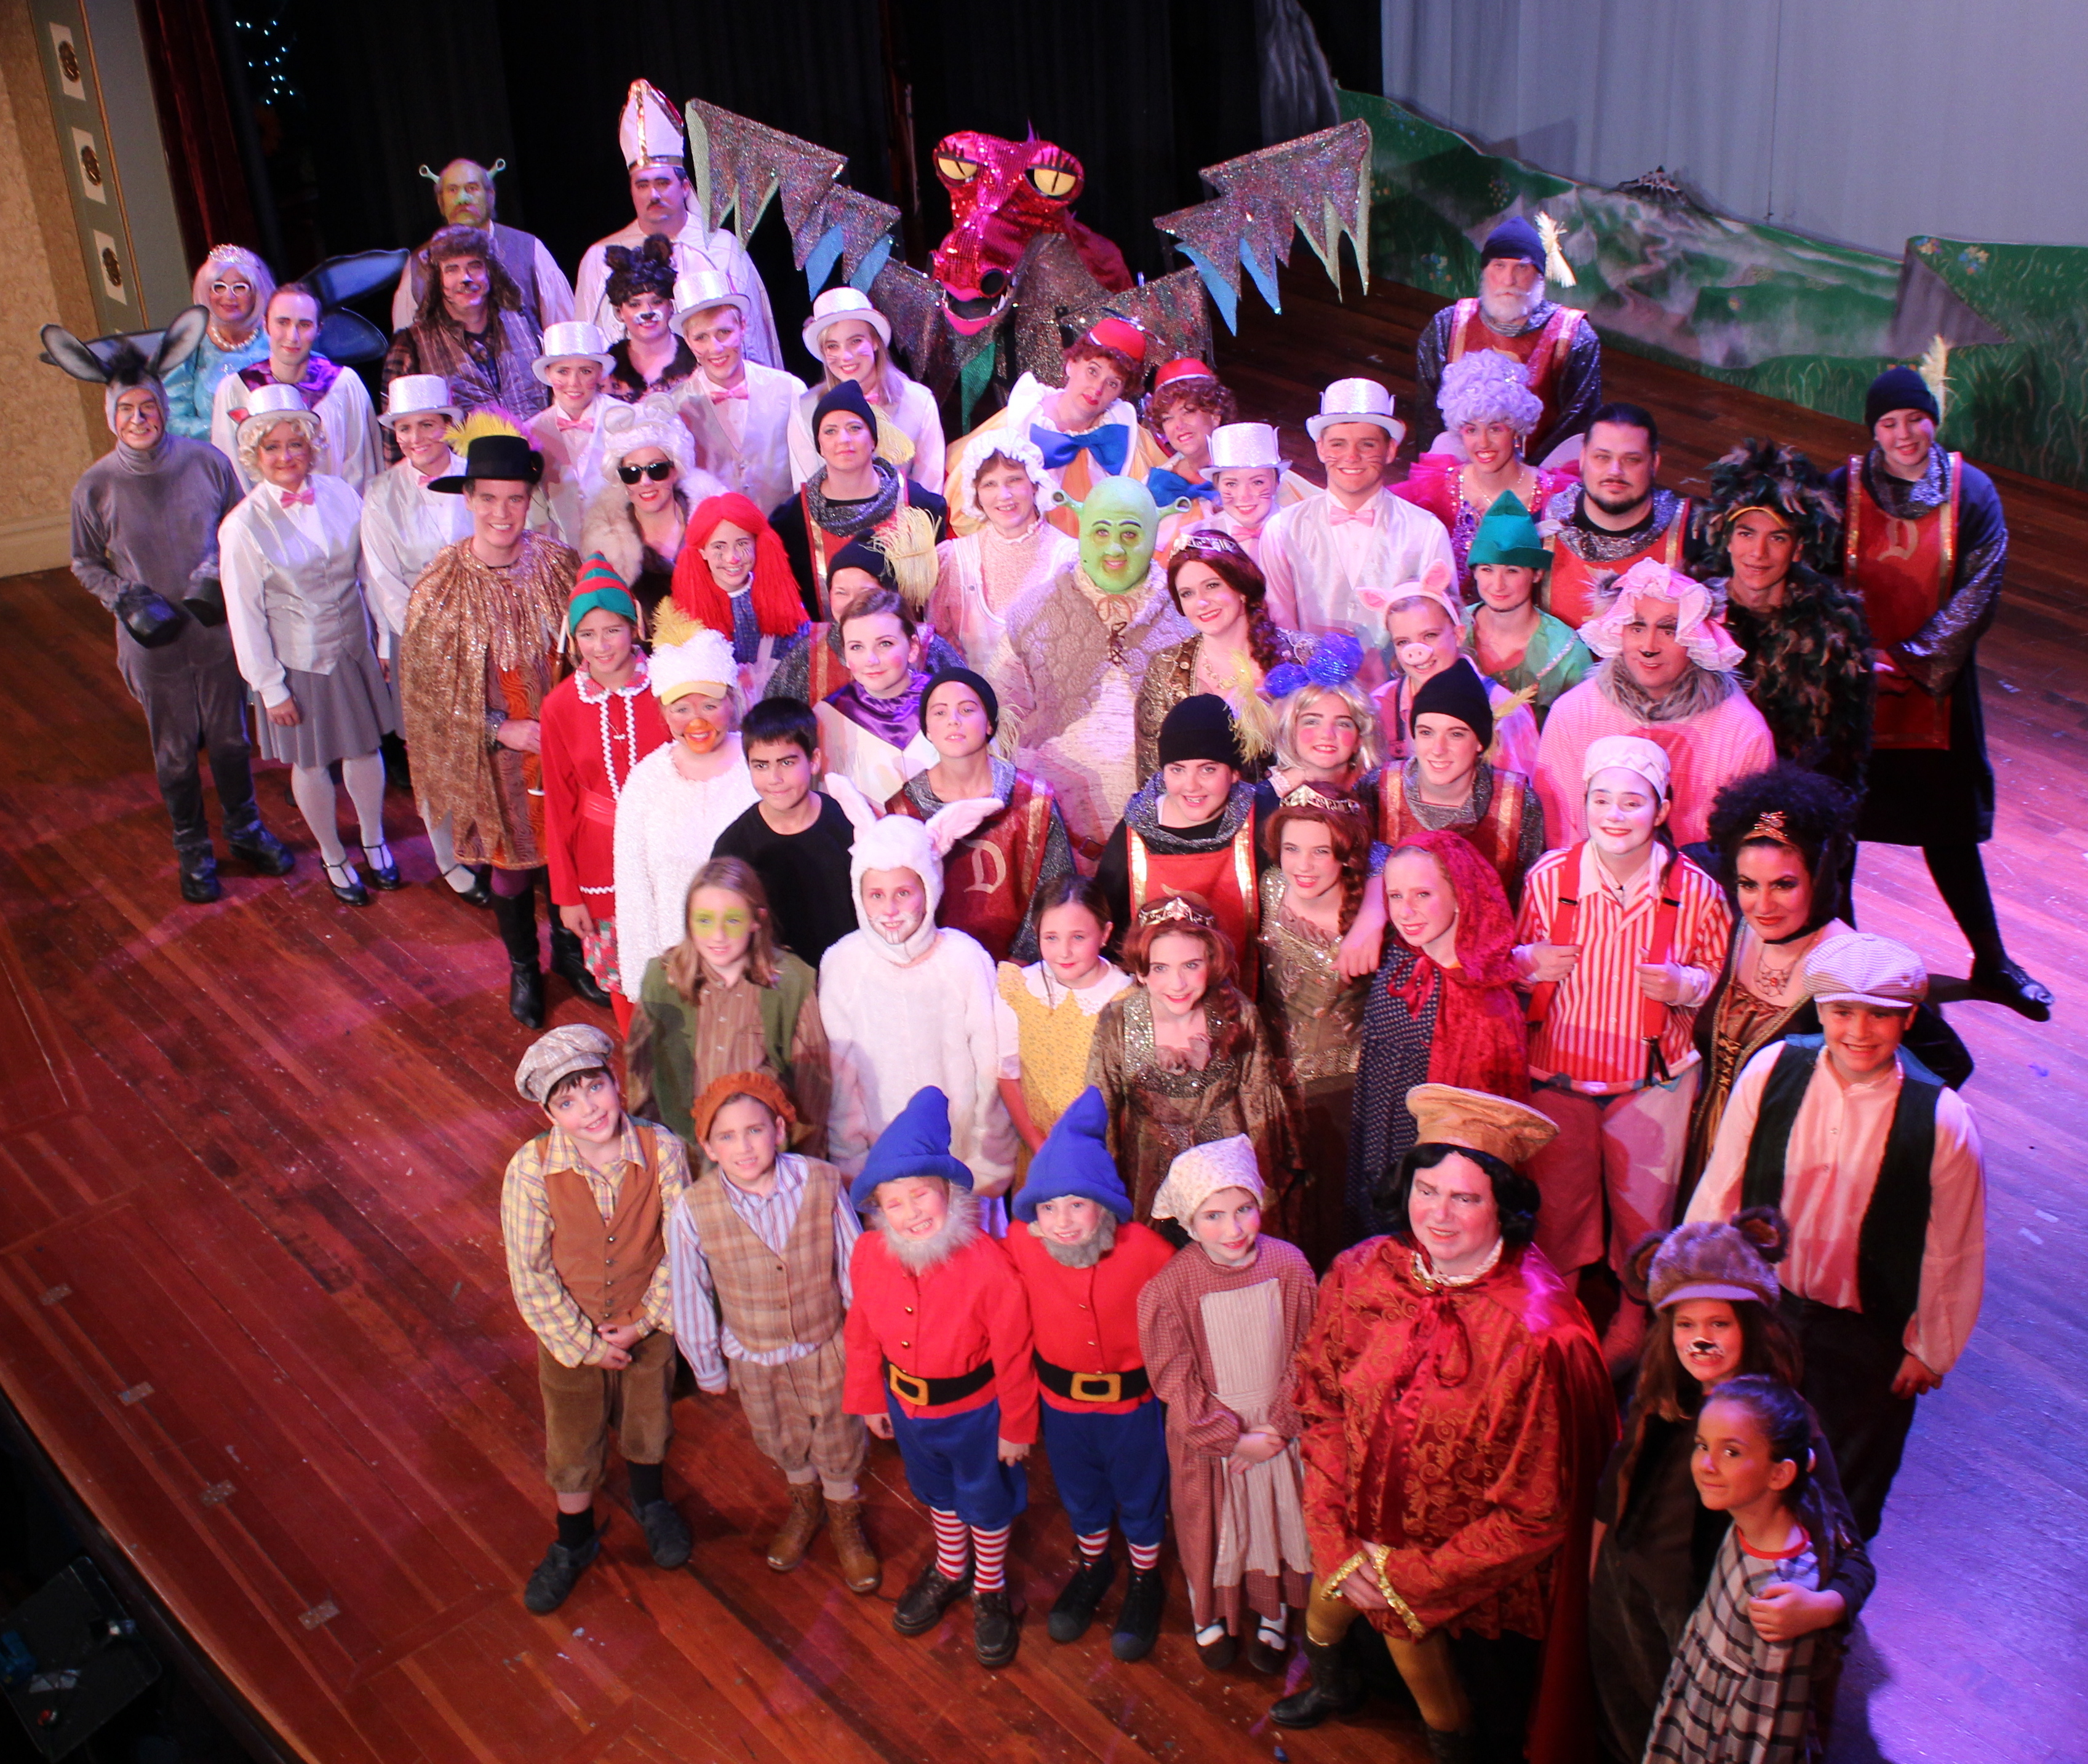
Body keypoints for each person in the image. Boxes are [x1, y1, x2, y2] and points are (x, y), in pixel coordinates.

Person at [1281, 1085, 1615, 1762]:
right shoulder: (1360, 1274)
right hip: (1352, 1536)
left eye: (1465, 1198)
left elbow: (1538, 1512)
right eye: (1427, 1190)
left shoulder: (1540, 1334)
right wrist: (1335, 1538)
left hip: (1464, 1589)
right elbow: (1321, 1405)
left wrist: (1413, 1578)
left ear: (1504, 1207)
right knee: (1329, 1617)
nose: (1438, 1214)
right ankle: (1340, 1685)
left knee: (1465, 1713)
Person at [1688, 932, 1985, 1539]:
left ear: (1908, 1019)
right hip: (1766, 1311)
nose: (1858, 1031)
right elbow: (1721, 1189)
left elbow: (1953, 1247)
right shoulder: (1772, 1072)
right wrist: (1701, 1297)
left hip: (1865, 1332)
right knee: (1735, 1463)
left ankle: (1823, 1585)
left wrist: (1931, 1347)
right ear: (1819, 1011)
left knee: (1843, 1488)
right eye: (1842, 1012)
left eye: (1880, 1015)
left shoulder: (1941, 1120)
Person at [1593, 1214, 1872, 1763]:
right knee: (1623, 1732)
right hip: (1625, 1594)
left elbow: (1853, 1557)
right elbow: (1616, 1485)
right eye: (1685, 1324)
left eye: (1719, 1323)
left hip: (1705, 1624)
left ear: (1752, 1326)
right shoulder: (1661, 1392)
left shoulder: (1785, 1424)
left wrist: (1821, 1607)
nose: (1700, 1339)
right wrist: (1597, 1576)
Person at [1828, 367, 2050, 1019]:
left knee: (1948, 829)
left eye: (1914, 419)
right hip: (1850, 692)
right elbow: (1813, 578)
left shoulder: (1971, 492)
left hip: (1939, 692)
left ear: (1934, 419)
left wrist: (1911, 661)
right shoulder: (1838, 491)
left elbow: (1981, 589)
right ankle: (1851, 964)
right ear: (1872, 431)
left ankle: (1992, 961)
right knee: (1842, 832)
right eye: (1888, 424)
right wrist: (1848, 658)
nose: (1904, 435)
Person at [1516, 737, 1732, 1351]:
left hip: (1652, 1078)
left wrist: (1683, 984)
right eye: (1601, 799)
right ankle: (1556, 1307)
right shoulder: (1548, 878)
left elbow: (1715, 974)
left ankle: (1633, 1320)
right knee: (1557, 1204)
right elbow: (1513, 960)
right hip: (1558, 1074)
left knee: (1644, 1207)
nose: (1614, 814)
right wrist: (1529, 961)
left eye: (1632, 802)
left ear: (1661, 809)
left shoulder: (1696, 892)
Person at [66, 331, 294, 902]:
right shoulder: (95, 486)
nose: (139, 418)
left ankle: (244, 830)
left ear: (163, 408)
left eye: (148, 406)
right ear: (111, 417)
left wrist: (214, 571)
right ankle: (193, 847)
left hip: (213, 632)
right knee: (173, 754)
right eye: (126, 409)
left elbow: (238, 529)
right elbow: (84, 562)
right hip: (153, 644)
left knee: (231, 741)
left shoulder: (208, 463)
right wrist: (124, 597)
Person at [842, 1087, 1037, 1666]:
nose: (912, 1213)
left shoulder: (988, 1264)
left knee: (985, 1499)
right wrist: (869, 1396)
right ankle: (952, 1568)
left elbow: (1015, 1351)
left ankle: (990, 1585)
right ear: (879, 1210)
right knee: (938, 1493)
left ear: (949, 1193)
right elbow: (862, 1329)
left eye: (921, 1194)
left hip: (976, 1414)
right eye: (894, 1203)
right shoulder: (869, 1254)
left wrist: (1016, 1426)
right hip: (908, 1410)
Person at [502, 1025, 693, 1615]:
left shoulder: (663, 1151)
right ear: (549, 1114)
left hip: (647, 1320)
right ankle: (574, 1539)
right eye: (567, 1102)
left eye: (595, 1088)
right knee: (573, 1437)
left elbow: (684, 1247)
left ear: (616, 1083)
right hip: (570, 1333)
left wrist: (646, 1321)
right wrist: (582, 1344)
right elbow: (530, 1272)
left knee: (649, 1417)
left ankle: (649, 1500)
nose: (588, 1109)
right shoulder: (530, 1171)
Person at [668, 1071, 876, 1589]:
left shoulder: (821, 1182)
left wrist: (865, 1346)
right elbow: (689, 1292)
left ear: (779, 1130)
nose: (744, 1147)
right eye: (727, 1136)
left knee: (839, 1435)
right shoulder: (694, 1208)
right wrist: (706, 1365)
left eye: (755, 1130)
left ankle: (844, 1514)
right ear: (709, 1148)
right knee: (780, 1435)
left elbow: (853, 1267)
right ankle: (805, 1503)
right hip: (755, 1354)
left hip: (825, 1344)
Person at [404, 429, 578, 1027]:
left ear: (530, 500)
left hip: (564, 749)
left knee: (566, 856)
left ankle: (571, 953)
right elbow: (426, 700)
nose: (502, 513)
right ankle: (525, 967)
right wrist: (500, 730)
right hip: (495, 759)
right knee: (512, 866)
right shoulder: (440, 587)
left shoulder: (559, 565)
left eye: (515, 499)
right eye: (488, 499)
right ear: (469, 499)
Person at [1006, 1088, 1177, 1661]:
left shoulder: (1146, 1250)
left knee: (1141, 1493)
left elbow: (1185, 1307)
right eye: (1048, 1208)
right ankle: (1094, 1566)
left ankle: (1146, 1580)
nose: (1062, 1222)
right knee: (1080, 1492)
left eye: (1077, 1205)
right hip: (1062, 1409)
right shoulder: (1021, 1246)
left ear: (1104, 1206)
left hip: (1133, 1409)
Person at [1137, 1137, 1317, 1672]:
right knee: (1211, 1528)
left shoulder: (1289, 1265)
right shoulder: (1171, 1287)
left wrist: (1279, 1428)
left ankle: (1273, 1611)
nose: (1233, 1229)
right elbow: (1174, 1378)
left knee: (1276, 1520)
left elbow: (1310, 1352)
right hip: (1212, 1437)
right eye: (1213, 1216)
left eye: (1243, 1210)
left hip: (1277, 1427)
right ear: (1189, 1222)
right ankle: (1208, 1612)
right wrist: (1231, 1438)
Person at [219, 384, 398, 907]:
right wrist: (270, 687)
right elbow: (244, 615)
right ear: (254, 455)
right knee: (313, 762)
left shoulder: (341, 493)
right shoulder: (242, 526)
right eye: (272, 447)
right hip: (300, 661)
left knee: (364, 747)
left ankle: (373, 839)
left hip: (354, 647)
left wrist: (384, 639)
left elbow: (369, 573)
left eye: (294, 444)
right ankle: (333, 854)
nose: (285, 456)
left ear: (310, 446)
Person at [819, 794, 1017, 1196]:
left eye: (903, 893)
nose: (890, 910)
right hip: (885, 1172)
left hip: (962, 1165)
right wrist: (852, 1161)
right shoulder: (843, 964)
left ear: (929, 888)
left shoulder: (964, 958)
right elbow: (841, 1079)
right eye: (876, 895)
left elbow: (989, 1065)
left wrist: (988, 1158)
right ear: (858, 894)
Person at [1641, 1376, 1841, 1764]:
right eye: (1702, 1446)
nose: (1706, 1464)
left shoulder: (1779, 1595)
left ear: (1780, 1474)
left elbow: (1767, 1732)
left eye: (1731, 1452)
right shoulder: (1745, 1524)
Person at [1347, 829, 1531, 1248]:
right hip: (1379, 1136)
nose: (1406, 911)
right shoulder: (1398, 962)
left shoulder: (1486, 997)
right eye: (1395, 896)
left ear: (1461, 894)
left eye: (1423, 895)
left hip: (1435, 1158)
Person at [998, 474, 1195, 857]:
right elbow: (1002, 718)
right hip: (1055, 838)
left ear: (1155, 534)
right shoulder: (1032, 613)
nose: (1115, 549)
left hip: (1166, 840)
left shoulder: (1189, 615)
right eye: (1101, 532)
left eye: (1131, 534)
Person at [1534, 558, 1775, 849]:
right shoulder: (1572, 715)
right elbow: (1559, 832)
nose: (1649, 647)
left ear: (1695, 639)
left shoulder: (1742, 731)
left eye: (1668, 631)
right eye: (1637, 627)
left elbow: (1751, 847)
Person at [1083, 894, 1287, 1222]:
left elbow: (1260, 1107)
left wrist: (1266, 1196)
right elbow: (1100, 1110)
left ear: (1211, 963)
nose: (1177, 984)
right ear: (1142, 972)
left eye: (1191, 966)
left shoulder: (1239, 1015)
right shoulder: (1118, 1021)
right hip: (1149, 1180)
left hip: (1226, 1185)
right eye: (1160, 968)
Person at [1691, 439, 1873, 787]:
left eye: (1777, 538)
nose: (1758, 553)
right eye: (1747, 534)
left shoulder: (1834, 628)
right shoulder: (1692, 612)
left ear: (1798, 548)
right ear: (1727, 538)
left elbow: (1843, 754)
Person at [626, 856, 827, 1154]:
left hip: (761, 1154)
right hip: (686, 1150)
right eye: (705, 921)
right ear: (689, 922)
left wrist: (802, 1163)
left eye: (732, 920)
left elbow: (813, 1089)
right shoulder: (662, 979)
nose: (718, 936)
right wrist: (651, 1153)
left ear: (757, 920)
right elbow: (640, 1076)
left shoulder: (791, 983)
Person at [540, 557, 669, 1023]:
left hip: (666, 849)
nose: (601, 646)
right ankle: (640, 1056)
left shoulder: (668, 685)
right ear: (574, 639)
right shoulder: (559, 707)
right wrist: (567, 894)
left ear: (634, 627)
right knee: (622, 974)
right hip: (600, 863)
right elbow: (559, 806)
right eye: (588, 634)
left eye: (612, 630)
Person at [573, 79, 781, 365]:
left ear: (684, 187)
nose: (653, 195)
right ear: (631, 191)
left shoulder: (722, 248)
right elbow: (586, 351)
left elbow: (754, 339)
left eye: (662, 183)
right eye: (643, 185)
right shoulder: (601, 258)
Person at [1254, 785, 1371, 1266]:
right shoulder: (1270, 889)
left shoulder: (1371, 907)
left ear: (1346, 853)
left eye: (1321, 851)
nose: (1303, 865)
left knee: (1337, 1219)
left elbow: (1395, 862)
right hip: (1274, 1087)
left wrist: (1375, 917)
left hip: (1344, 1092)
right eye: (1292, 849)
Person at [885, 669, 1075, 964]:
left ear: (988, 723)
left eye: (967, 710)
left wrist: (1018, 964)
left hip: (1024, 971)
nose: (953, 720)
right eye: (940, 712)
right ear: (927, 729)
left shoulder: (1035, 802)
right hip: (934, 968)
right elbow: (896, 902)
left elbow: (1056, 892)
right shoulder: (903, 811)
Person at [611, 630, 759, 1003]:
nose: (696, 721)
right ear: (664, 713)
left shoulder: (758, 766)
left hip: (754, 961)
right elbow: (633, 888)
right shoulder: (646, 781)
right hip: (679, 966)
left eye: (709, 706)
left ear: (731, 702)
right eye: (681, 709)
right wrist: (646, 981)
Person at [1260, 379, 1456, 652]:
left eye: (1367, 445)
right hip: (1310, 677)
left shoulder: (1426, 531)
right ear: (1320, 448)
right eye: (1338, 444)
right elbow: (1279, 626)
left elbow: (1443, 624)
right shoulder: (1282, 529)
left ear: (1390, 450)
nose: (1352, 457)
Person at [1096, 694, 1274, 988]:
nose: (1191, 786)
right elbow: (1106, 922)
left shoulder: (1261, 819)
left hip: (1246, 996)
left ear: (1234, 772)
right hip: (1161, 998)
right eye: (1177, 770)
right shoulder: (1135, 829)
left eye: (1208, 769)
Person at [945, 315, 1168, 538]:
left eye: (1112, 383)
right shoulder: (1020, 423)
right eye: (1093, 371)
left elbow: (1161, 506)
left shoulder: (1125, 435)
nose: (1097, 389)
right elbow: (969, 508)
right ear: (1071, 364)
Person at [1413, 215, 1602, 467]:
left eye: (1521, 267)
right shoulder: (1448, 326)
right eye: (1499, 266)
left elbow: (1577, 424)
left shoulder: (1574, 336)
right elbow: (1430, 414)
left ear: (1539, 275)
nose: (1508, 280)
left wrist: (1525, 477)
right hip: (1461, 470)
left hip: (1542, 473)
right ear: (1484, 271)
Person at [1370, 655, 1547, 909]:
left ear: (1480, 742)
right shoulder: (1378, 789)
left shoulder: (1518, 803)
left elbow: (1525, 903)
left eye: (1455, 734)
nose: (1438, 749)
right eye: (1427, 733)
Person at [1133, 533, 1304, 785]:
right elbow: (1152, 781)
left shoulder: (1303, 655)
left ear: (1242, 588)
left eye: (1212, 586)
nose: (1201, 602)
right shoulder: (1165, 670)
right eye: (1187, 594)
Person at [771, 380, 947, 622]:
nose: (843, 439)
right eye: (830, 431)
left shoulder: (922, 507)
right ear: (819, 445)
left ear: (873, 439)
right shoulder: (790, 521)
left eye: (855, 428)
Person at [1396, 352, 1576, 587]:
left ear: (1516, 430)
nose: (1483, 443)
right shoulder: (1435, 491)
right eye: (1471, 430)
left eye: (1495, 429)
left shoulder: (1555, 495)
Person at [994, 876, 1132, 1172]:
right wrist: (1040, 1147)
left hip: (1103, 1156)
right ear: (1037, 933)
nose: (1064, 951)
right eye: (1051, 938)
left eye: (1078, 937)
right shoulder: (1018, 988)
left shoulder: (1125, 998)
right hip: (1039, 1150)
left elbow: (1130, 1095)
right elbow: (1008, 1074)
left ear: (1105, 933)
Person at [713, 697, 860, 968]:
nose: (775, 778)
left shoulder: (848, 820)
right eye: (761, 765)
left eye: (787, 763)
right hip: (778, 983)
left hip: (851, 975)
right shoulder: (734, 847)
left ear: (814, 761)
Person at [1369, 563, 1540, 783]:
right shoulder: (1378, 707)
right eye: (1403, 642)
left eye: (1430, 636)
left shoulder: (1506, 712)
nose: (1418, 651)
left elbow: (1520, 794)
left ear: (1458, 635)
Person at [928, 434, 1078, 675]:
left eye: (1014, 480)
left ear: (1034, 484)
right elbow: (939, 654)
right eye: (989, 484)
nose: (1004, 495)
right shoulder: (954, 560)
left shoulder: (1071, 558)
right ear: (976, 494)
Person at [211, 282, 381, 492]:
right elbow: (232, 477)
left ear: (319, 329)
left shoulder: (344, 384)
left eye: (304, 325)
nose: (293, 337)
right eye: (282, 323)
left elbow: (362, 471)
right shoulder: (235, 389)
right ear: (266, 325)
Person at [380, 224, 547, 437]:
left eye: (475, 266)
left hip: (537, 454)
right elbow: (395, 433)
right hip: (464, 459)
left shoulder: (523, 322)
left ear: (491, 272)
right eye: (452, 269)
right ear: (438, 279)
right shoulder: (412, 343)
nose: (465, 278)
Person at [759, 539, 963, 711]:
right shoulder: (810, 650)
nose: (852, 603)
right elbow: (776, 715)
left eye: (865, 593)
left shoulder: (928, 645)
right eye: (841, 593)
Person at [1539, 403, 1690, 629]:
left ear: (1654, 464)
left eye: (1632, 460)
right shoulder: (1539, 531)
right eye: (1602, 457)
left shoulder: (1692, 535)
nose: (1615, 471)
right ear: (1583, 459)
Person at [389, 156, 574, 335]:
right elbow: (407, 343)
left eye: (472, 188)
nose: (463, 198)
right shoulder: (418, 266)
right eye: (452, 190)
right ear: (440, 201)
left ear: (490, 196)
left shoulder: (529, 250)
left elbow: (566, 332)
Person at [787, 286, 946, 495]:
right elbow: (806, 490)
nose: (846, 356)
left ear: (875, 342)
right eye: (832, 346)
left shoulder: (919, 402)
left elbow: (930, 487)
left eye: (856, 341)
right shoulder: (806, 409)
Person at [581, 403, 725, 630]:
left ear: (675, 470)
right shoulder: (605, 550)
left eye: (657, 469)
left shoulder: (717, 525)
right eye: (632, 473)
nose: (645, 482)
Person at [674, 270, 805, 517]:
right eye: (701, 338)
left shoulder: (789, 389)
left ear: (743, 326)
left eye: (724, 333)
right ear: (688, 341)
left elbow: (809, 472)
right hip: (717, 536)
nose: (715, 348)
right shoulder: (676, 406)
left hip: (786, 529)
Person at [1462, 491, 1593, 723]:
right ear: (1475, 572)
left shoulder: (1567, 653)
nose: (1498, 585)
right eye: (1487, 570)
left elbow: (1581, 728)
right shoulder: (1452, 628)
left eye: (1512, 571)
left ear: (1537, 574)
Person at [815, 589, 938, 804]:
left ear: (912, 648)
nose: (871, 660)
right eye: (856, 647)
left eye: (885, 644)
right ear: (845, 655)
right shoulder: (828, 717)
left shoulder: (946, 702)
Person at [161, 244, 272, 440]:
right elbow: (172, 419)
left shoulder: (275, 337)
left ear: (257, 293)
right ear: (206, 292)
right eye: (219, 287)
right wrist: (228, 433)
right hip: (210, 453)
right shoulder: (189, 343)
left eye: (240, 288)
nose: (229, 297)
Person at [524, 322, 617, 547]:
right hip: (563, 552)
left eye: (585, 371)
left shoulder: (627, 419)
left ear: (600, 373)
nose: (574, 383)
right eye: (563, 372)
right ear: (548, 374)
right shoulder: (531, 432)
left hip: (623, 551)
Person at [1262, 637, 1384, 803]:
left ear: (1360, 738)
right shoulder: (1261, 802)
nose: (1327, 734)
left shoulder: (1381, 797)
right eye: (1312, 722)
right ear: (1292, 731)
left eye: (1343, 724)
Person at [1194, 421, 1313, 566]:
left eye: (1257, 482)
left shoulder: (1304, 532)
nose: (1244, 496)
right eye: (1231, 484)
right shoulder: (1202, 539)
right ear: (1217, 486)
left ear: (1276, 483)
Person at [597, 236, 694, 405]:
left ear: (671, 306)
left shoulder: (697, 357)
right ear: (619, 312)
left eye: (656, 302)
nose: (647, 312)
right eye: (635, 305)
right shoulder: (606, 369)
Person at [1140, 357, 1235, 511]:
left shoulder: (1252, 471)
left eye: (1188, 411)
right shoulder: (1155, 486)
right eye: (1168, 418)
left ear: (1215, 415)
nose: (1179, 425)